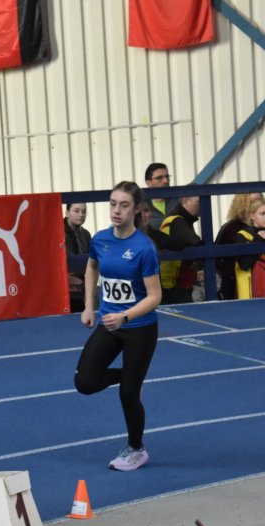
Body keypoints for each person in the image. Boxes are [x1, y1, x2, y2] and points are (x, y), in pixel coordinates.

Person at [74, 181, 162, 472]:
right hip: (110, 324)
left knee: (128, 395)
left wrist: (125, 316)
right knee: (85, 382)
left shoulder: (144, 249)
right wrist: (89, 306)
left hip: (140, 328)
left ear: (136, 209)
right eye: (113, 204)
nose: (116, 210)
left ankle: (136, 449)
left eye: (124, 205)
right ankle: (131, 376)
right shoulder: (100, 240)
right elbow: (92, 268)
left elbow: (155, 296)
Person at [153, 196, 201, 304]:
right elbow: (194, 241)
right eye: (198, 201)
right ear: (185, 201)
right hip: (172, 286)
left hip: (174, 283)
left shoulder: (180, 220)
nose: (202, 205)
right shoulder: (176, 220)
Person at [215, 193, 263, 300]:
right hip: (235, 286)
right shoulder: (229, 228)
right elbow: (216, 256)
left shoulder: (263, 227)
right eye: (253, 202)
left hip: (261, 282)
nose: (258, 205)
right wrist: (229, 274)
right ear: (241, 204)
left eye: (260, 201)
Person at [64, 203, 92, 313]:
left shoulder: (86, 234)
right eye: (76, 211)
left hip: (81, 288)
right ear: (67, 213)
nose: (81, 214)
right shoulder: (57, 233)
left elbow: (91, 261)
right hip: (63, 289)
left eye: (84, 211)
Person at [144, 163, 176, 231]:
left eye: (167, 177)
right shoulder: (141, 206)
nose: (166, 181)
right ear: (148, 183)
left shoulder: (179, 200)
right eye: (159, 178)